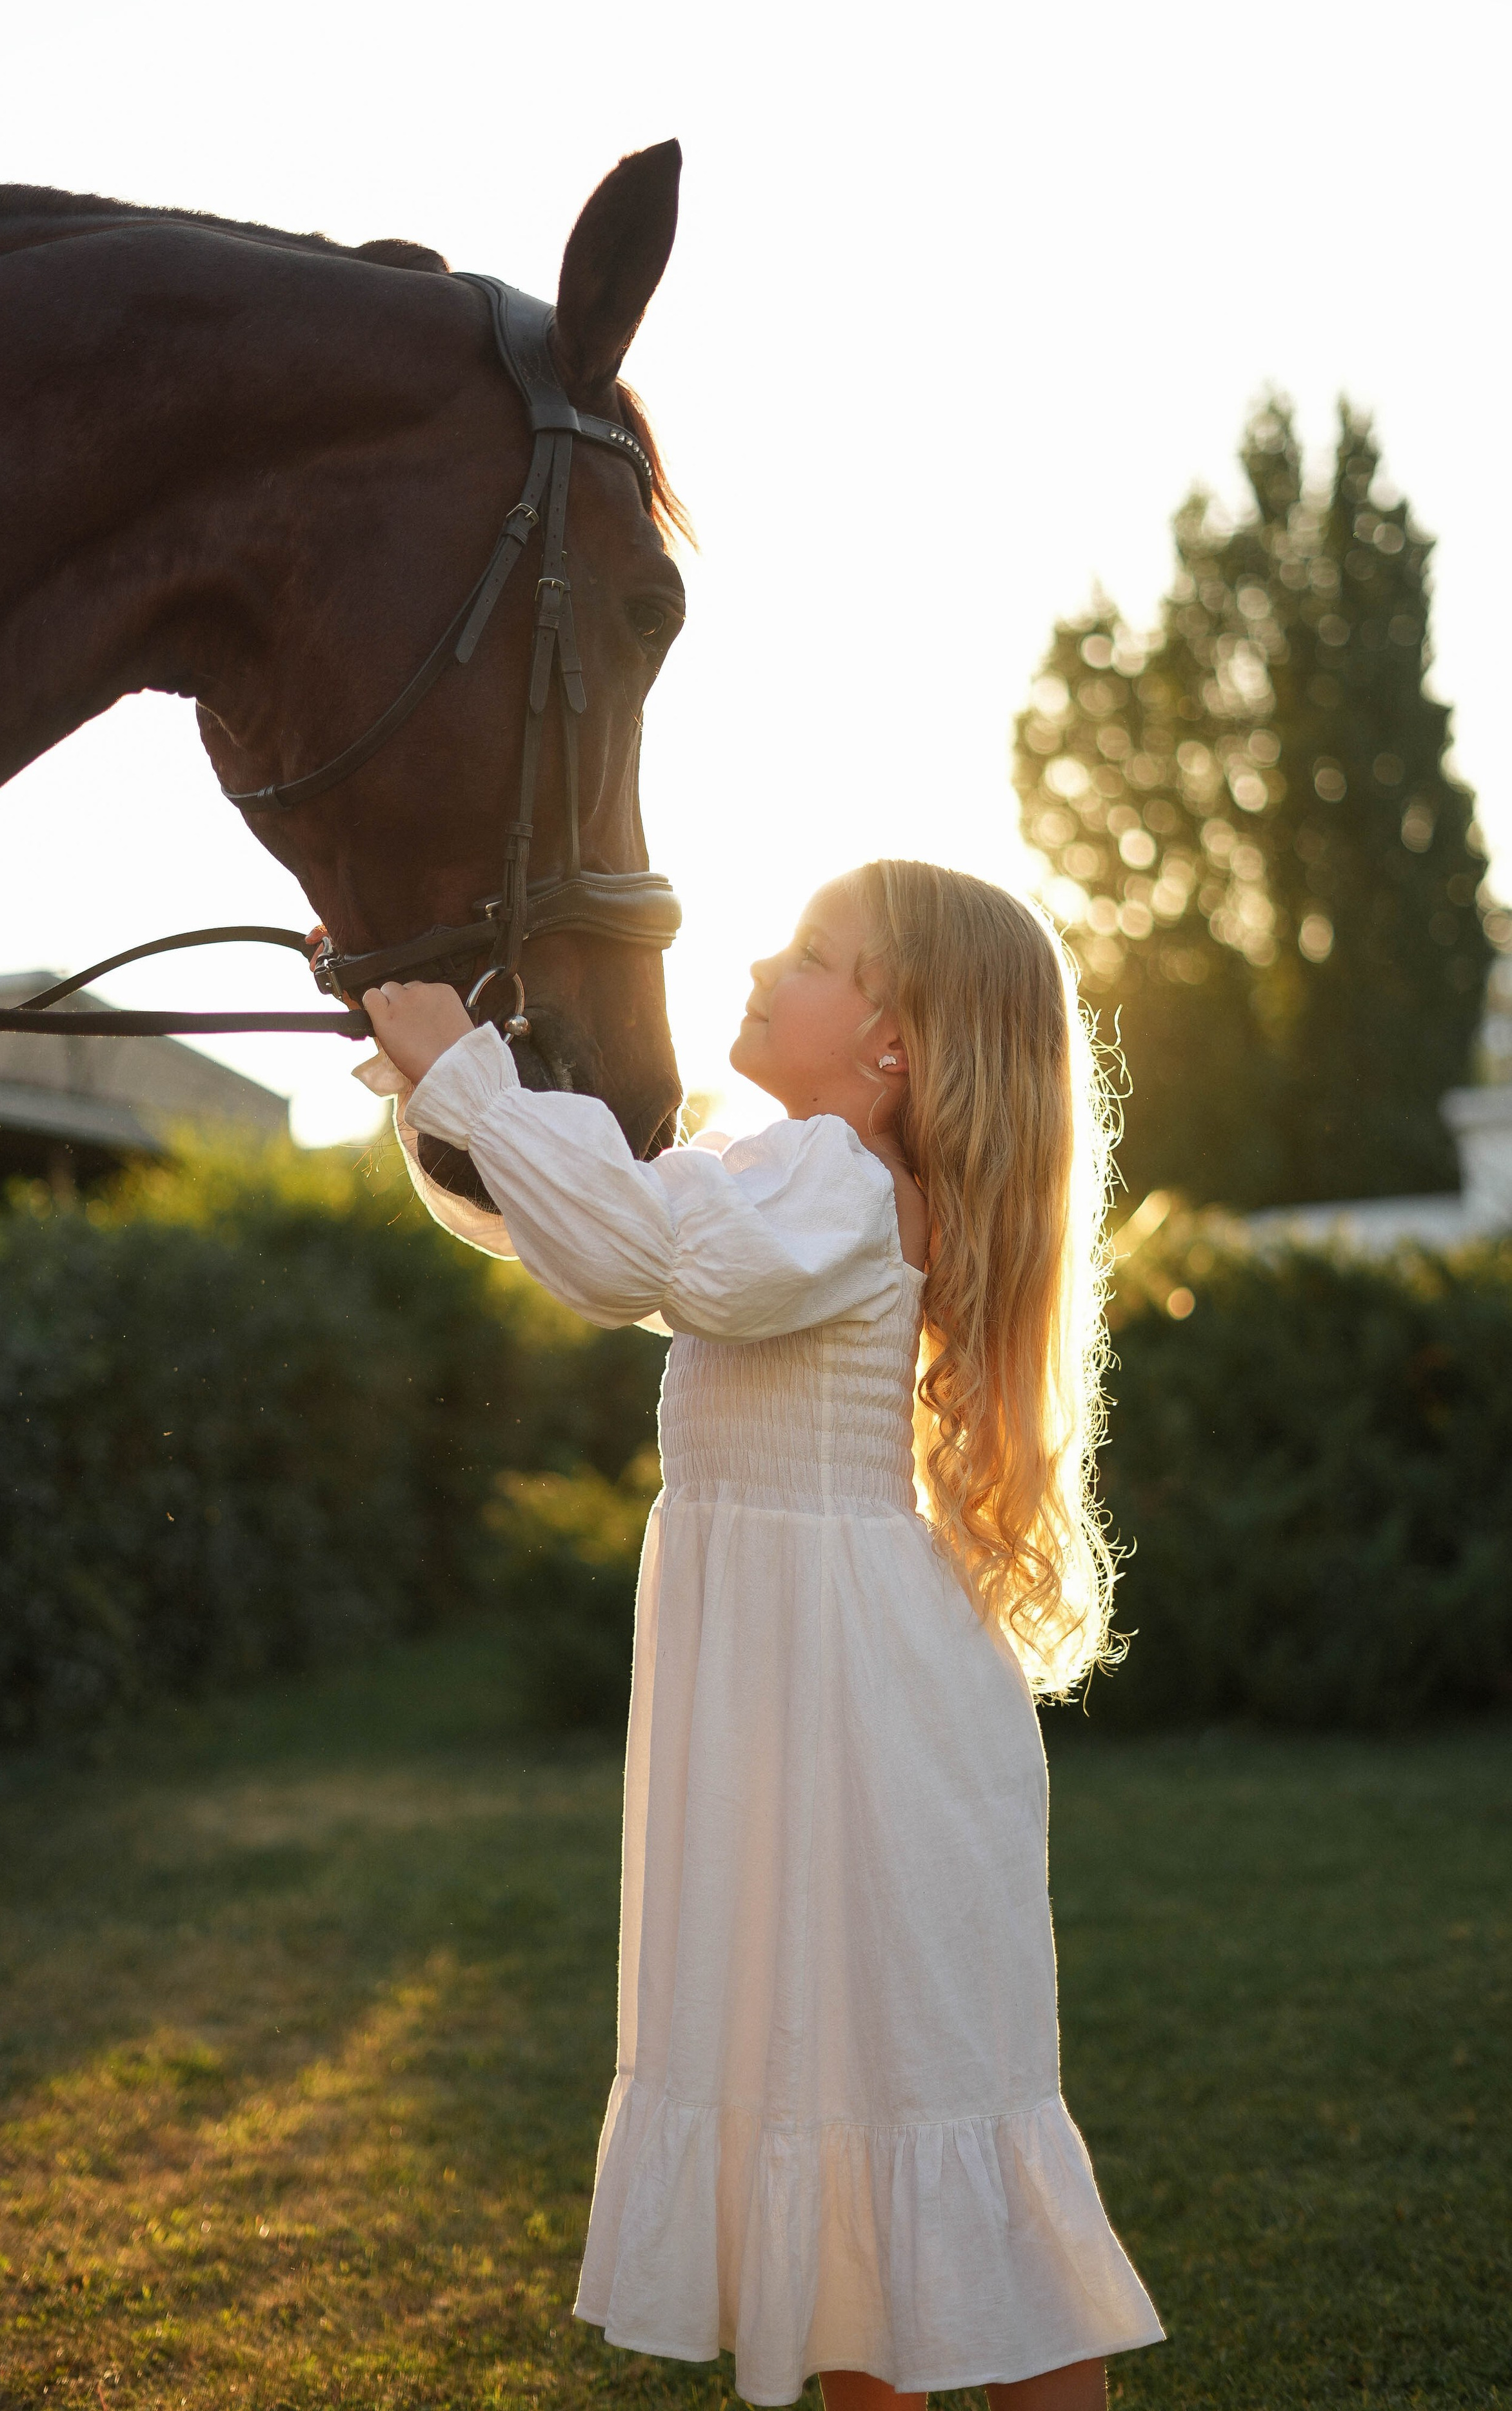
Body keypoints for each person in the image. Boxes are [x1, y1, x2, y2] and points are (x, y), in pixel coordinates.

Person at [355, 861, 1164, 2410]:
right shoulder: (792, 1175)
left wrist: (466, 1071)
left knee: (918, 2117)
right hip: (818, 1698)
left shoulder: (836, 1183)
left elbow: (650, 1258)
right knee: (851, 2120)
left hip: (849, 1713)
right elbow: (579, 1238)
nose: (761, 963)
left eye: (811, 953)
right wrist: (434, 1089)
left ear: (891, 1052)